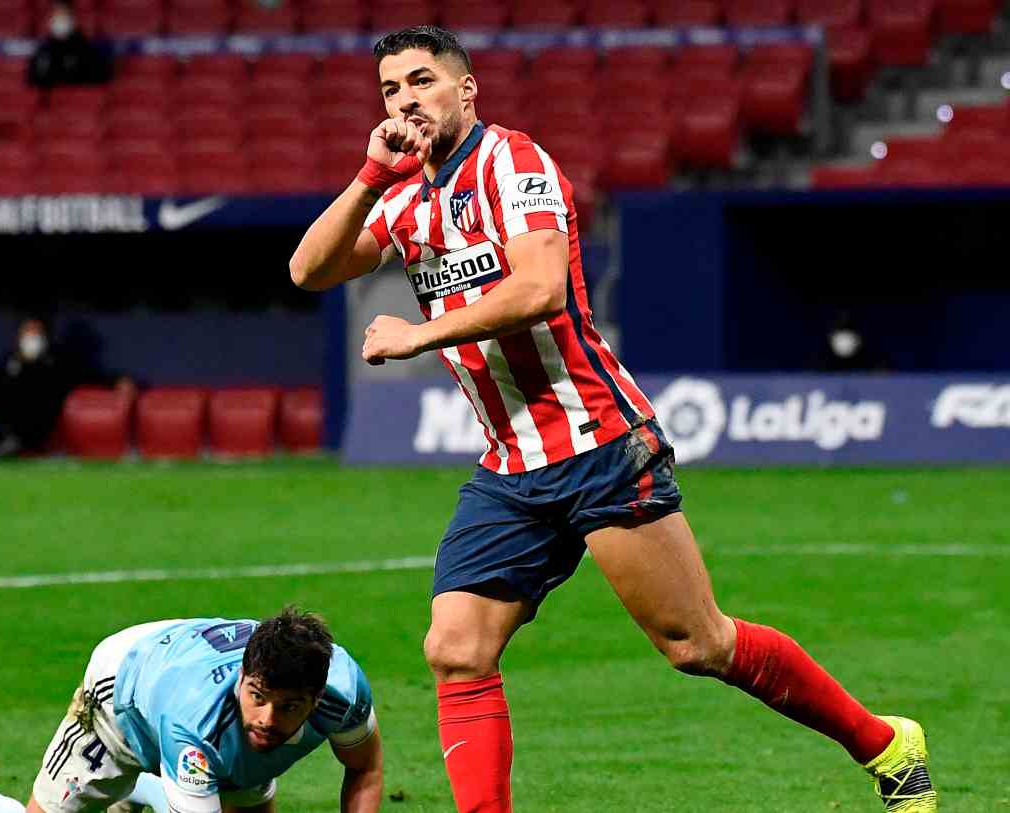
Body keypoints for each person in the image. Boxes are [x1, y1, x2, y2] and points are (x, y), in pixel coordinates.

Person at [288, 25, 937, 813]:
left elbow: (540, 290)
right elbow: (308, 269)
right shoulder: (404, 196)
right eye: (391, 89)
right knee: (456, 650)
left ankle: (884, 743)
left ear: (467, 89)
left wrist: (417, 334)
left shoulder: (514, 164)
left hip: (596, 440)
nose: (405, 100)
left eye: (422, 81)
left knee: (698, 644)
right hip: (510, 465)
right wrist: (367, 174)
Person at [0, 607, 383, 813]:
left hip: (184, 675)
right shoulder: (194, 724)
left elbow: (365, 769)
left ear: (317, 700)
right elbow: (208, 726)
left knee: (240, 784)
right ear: (243, 678)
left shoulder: (344, 690)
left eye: (288, 707)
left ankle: (145, 792)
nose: (268, 718)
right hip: (124, 688)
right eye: (257, 696)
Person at [0, 316, 134, 458]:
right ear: (19, 336)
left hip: (34, 431)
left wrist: (116, 382)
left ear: (45, 336)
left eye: (36, 333)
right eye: (27, 332)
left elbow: (89, 375)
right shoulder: (9, 362)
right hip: (0, 428)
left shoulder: (57, 362)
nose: (31, 337)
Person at [27, 1, 112, 89]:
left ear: (72, 19)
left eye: (63, 16)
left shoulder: (88, 49)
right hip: (54, 99)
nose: (60, 21)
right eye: (56, 16)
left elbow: (99, 79)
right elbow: (33, 81)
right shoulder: (43, 51)